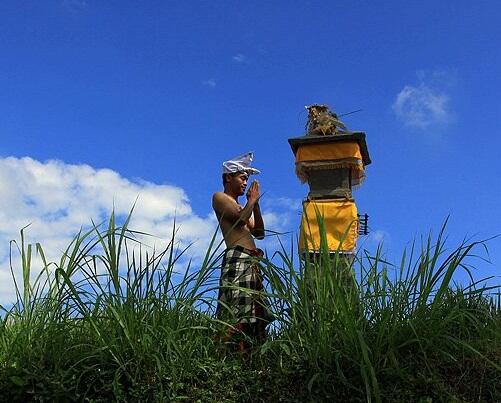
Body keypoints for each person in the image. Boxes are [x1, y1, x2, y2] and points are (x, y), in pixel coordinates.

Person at [212, 152, 269, 352]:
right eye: (242, 177)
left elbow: (259, 233)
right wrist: (251, 201)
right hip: (237, 258)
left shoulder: (239, 204)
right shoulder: (220, 198)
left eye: (247, 179)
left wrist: (257, 205)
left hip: (250, 261)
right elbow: (240, 219)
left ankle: (248, 356)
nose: (246, 183)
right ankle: (221, 357)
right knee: (236, 310)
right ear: (229, 177)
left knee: (254, 311)